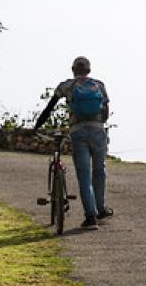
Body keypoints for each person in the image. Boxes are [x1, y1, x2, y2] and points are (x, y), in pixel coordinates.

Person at [34, 56, 113, 230]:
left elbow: (49, 107)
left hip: (78, 132)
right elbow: (106, 111)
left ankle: (91, 217)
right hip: (98, 131)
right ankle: (101, 208)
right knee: (99, 171)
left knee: (84, 175)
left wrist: (37, 126)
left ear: (73, 69)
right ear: (89, 70)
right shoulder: (99, 85)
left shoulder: (67, 86)